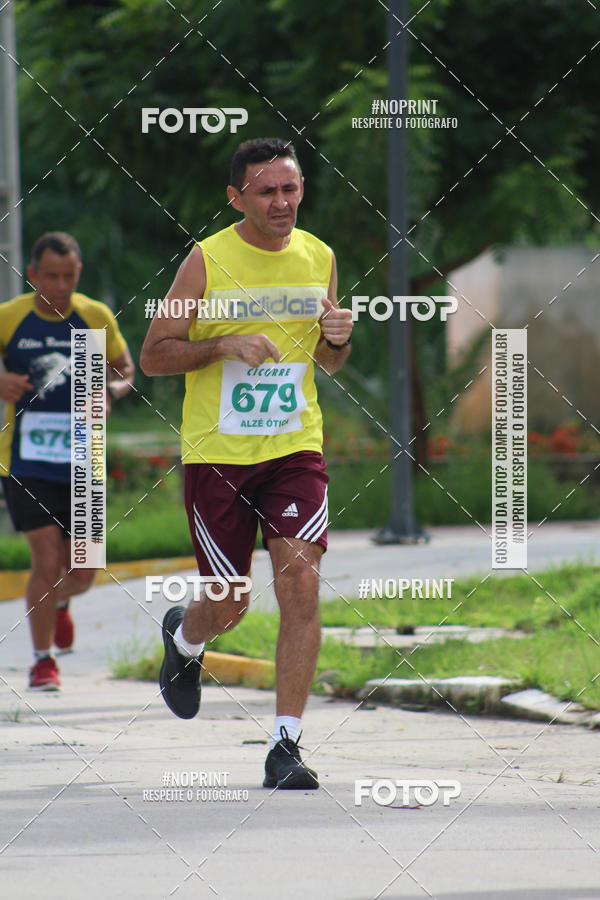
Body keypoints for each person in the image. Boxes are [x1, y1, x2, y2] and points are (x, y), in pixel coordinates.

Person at [141, 136, 353, 790]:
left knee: (299, 584)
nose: (282, 201)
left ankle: (285, 745)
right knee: (229, 601)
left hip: (294, 446)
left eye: (290, 188)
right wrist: (222, 343)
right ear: (237, 197)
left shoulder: (319, 257)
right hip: (220, 455)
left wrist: (338, 340)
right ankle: (186, 638)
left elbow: (328, 361)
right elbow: (154, 354)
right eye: (267, 191)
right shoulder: (206, 261)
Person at [0, 232, 134, 690]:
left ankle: (60, 603)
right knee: (46, 558)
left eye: (68, 276)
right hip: (26, 461)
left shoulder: (95, 316)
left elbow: (125, 371)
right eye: (50, 277)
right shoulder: (10, 318)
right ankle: (42, 661)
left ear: (79, 273)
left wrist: (111, 392)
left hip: (84, 459)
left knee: (82, 571)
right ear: (32, 274)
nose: (59, 286)